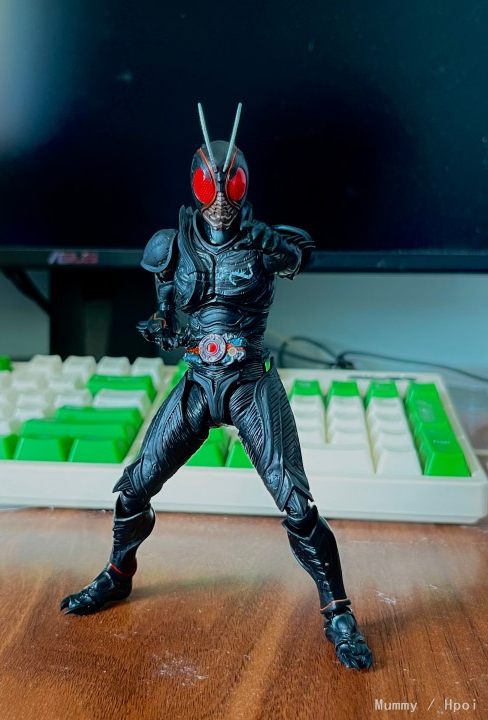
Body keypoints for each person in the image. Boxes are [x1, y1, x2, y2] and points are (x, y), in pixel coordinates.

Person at [61, 104, 373, 670]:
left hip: (249, 382)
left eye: (232, 186)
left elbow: (297, 257)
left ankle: (339, 611)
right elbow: (164, 306)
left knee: (296, 503)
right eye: (212, 186)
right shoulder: (172, 245)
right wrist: (162, 326)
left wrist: (268, 243)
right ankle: (117, 573)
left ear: (245, 184)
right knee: (132, 489)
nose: (223, 198)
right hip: (198, 381)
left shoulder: (266, 241)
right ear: (196, 185)